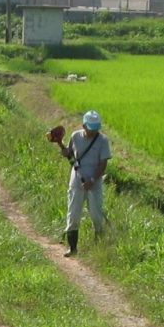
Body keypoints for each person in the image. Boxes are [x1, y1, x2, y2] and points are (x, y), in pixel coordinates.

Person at [58, 109, 110, 256]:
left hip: (95, 183)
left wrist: (92, 180)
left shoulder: (103, 141)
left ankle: (98, 249)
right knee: (73, 215)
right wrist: (65, 152)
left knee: (96, 216)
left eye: (95, 129)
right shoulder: (75, 136)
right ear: (84, 125)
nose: (93, 132)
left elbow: (103, 164)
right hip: (76, 182)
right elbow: (70, 155)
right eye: (90, 129)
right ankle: (72, 248)